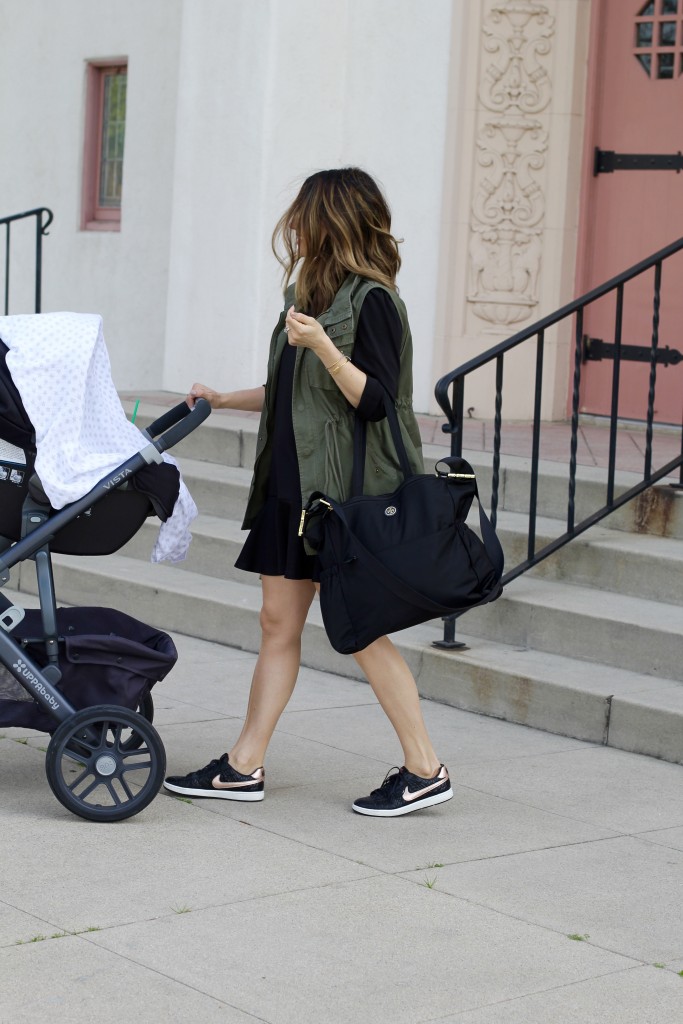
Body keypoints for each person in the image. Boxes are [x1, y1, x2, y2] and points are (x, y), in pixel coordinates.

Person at [163, 168, 452, 817]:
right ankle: (242, 766)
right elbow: (291, 394)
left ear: (332, 222)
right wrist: (223, 397)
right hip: (291, 494)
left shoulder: (373, 301)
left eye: (303, 215)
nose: (292, 225)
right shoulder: (308, 293)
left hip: (341, 502)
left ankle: (425, 768)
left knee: (360, 629)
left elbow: (376, 401)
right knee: (276, 625)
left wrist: (322, 345)